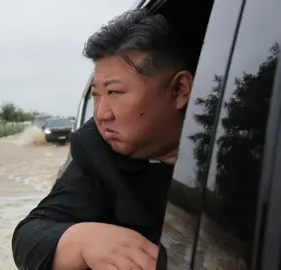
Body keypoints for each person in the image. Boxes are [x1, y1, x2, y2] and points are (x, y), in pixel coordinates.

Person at [12, 8, 198, 270]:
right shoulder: (97, 151)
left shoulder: (244, 150)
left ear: (179, 90)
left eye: (115, 92)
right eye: (97, 95)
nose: (101, 114)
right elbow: (30, 235)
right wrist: (81, 241)